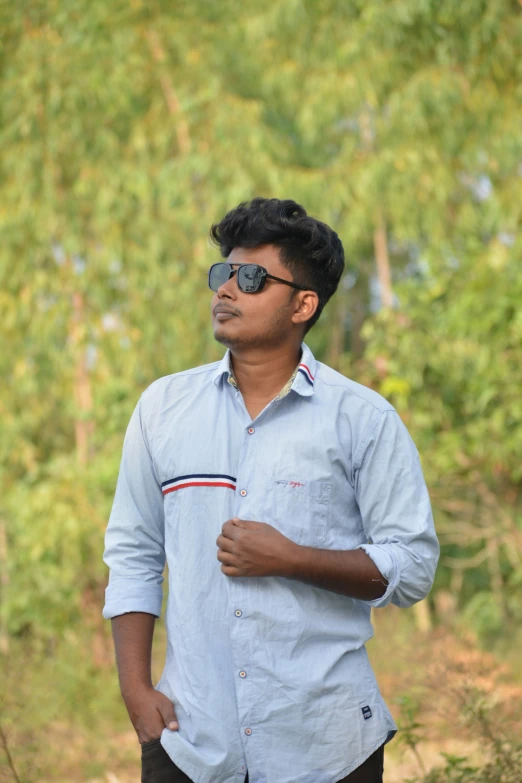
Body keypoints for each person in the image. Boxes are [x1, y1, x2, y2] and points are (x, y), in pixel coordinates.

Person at [102, 197, 440, 783]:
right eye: (223, 273)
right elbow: (133, 553)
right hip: (189, 740)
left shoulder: (363, 419)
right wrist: (135, 688)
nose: (226, 289)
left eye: (252, 278)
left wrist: (292, 559)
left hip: (326, 745)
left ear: (303, 304)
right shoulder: (163, 408)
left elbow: (412, 566)